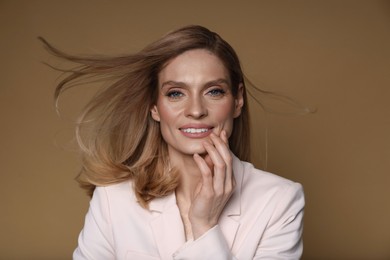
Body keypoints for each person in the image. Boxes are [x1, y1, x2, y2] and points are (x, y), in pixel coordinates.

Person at [44, 25, 304, 259]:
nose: (196, 110)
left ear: (237, 101)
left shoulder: (280, 200)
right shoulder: (113, 198)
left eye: (214, 91)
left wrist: (204, 225)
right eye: (176, 93)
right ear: (154, 107)